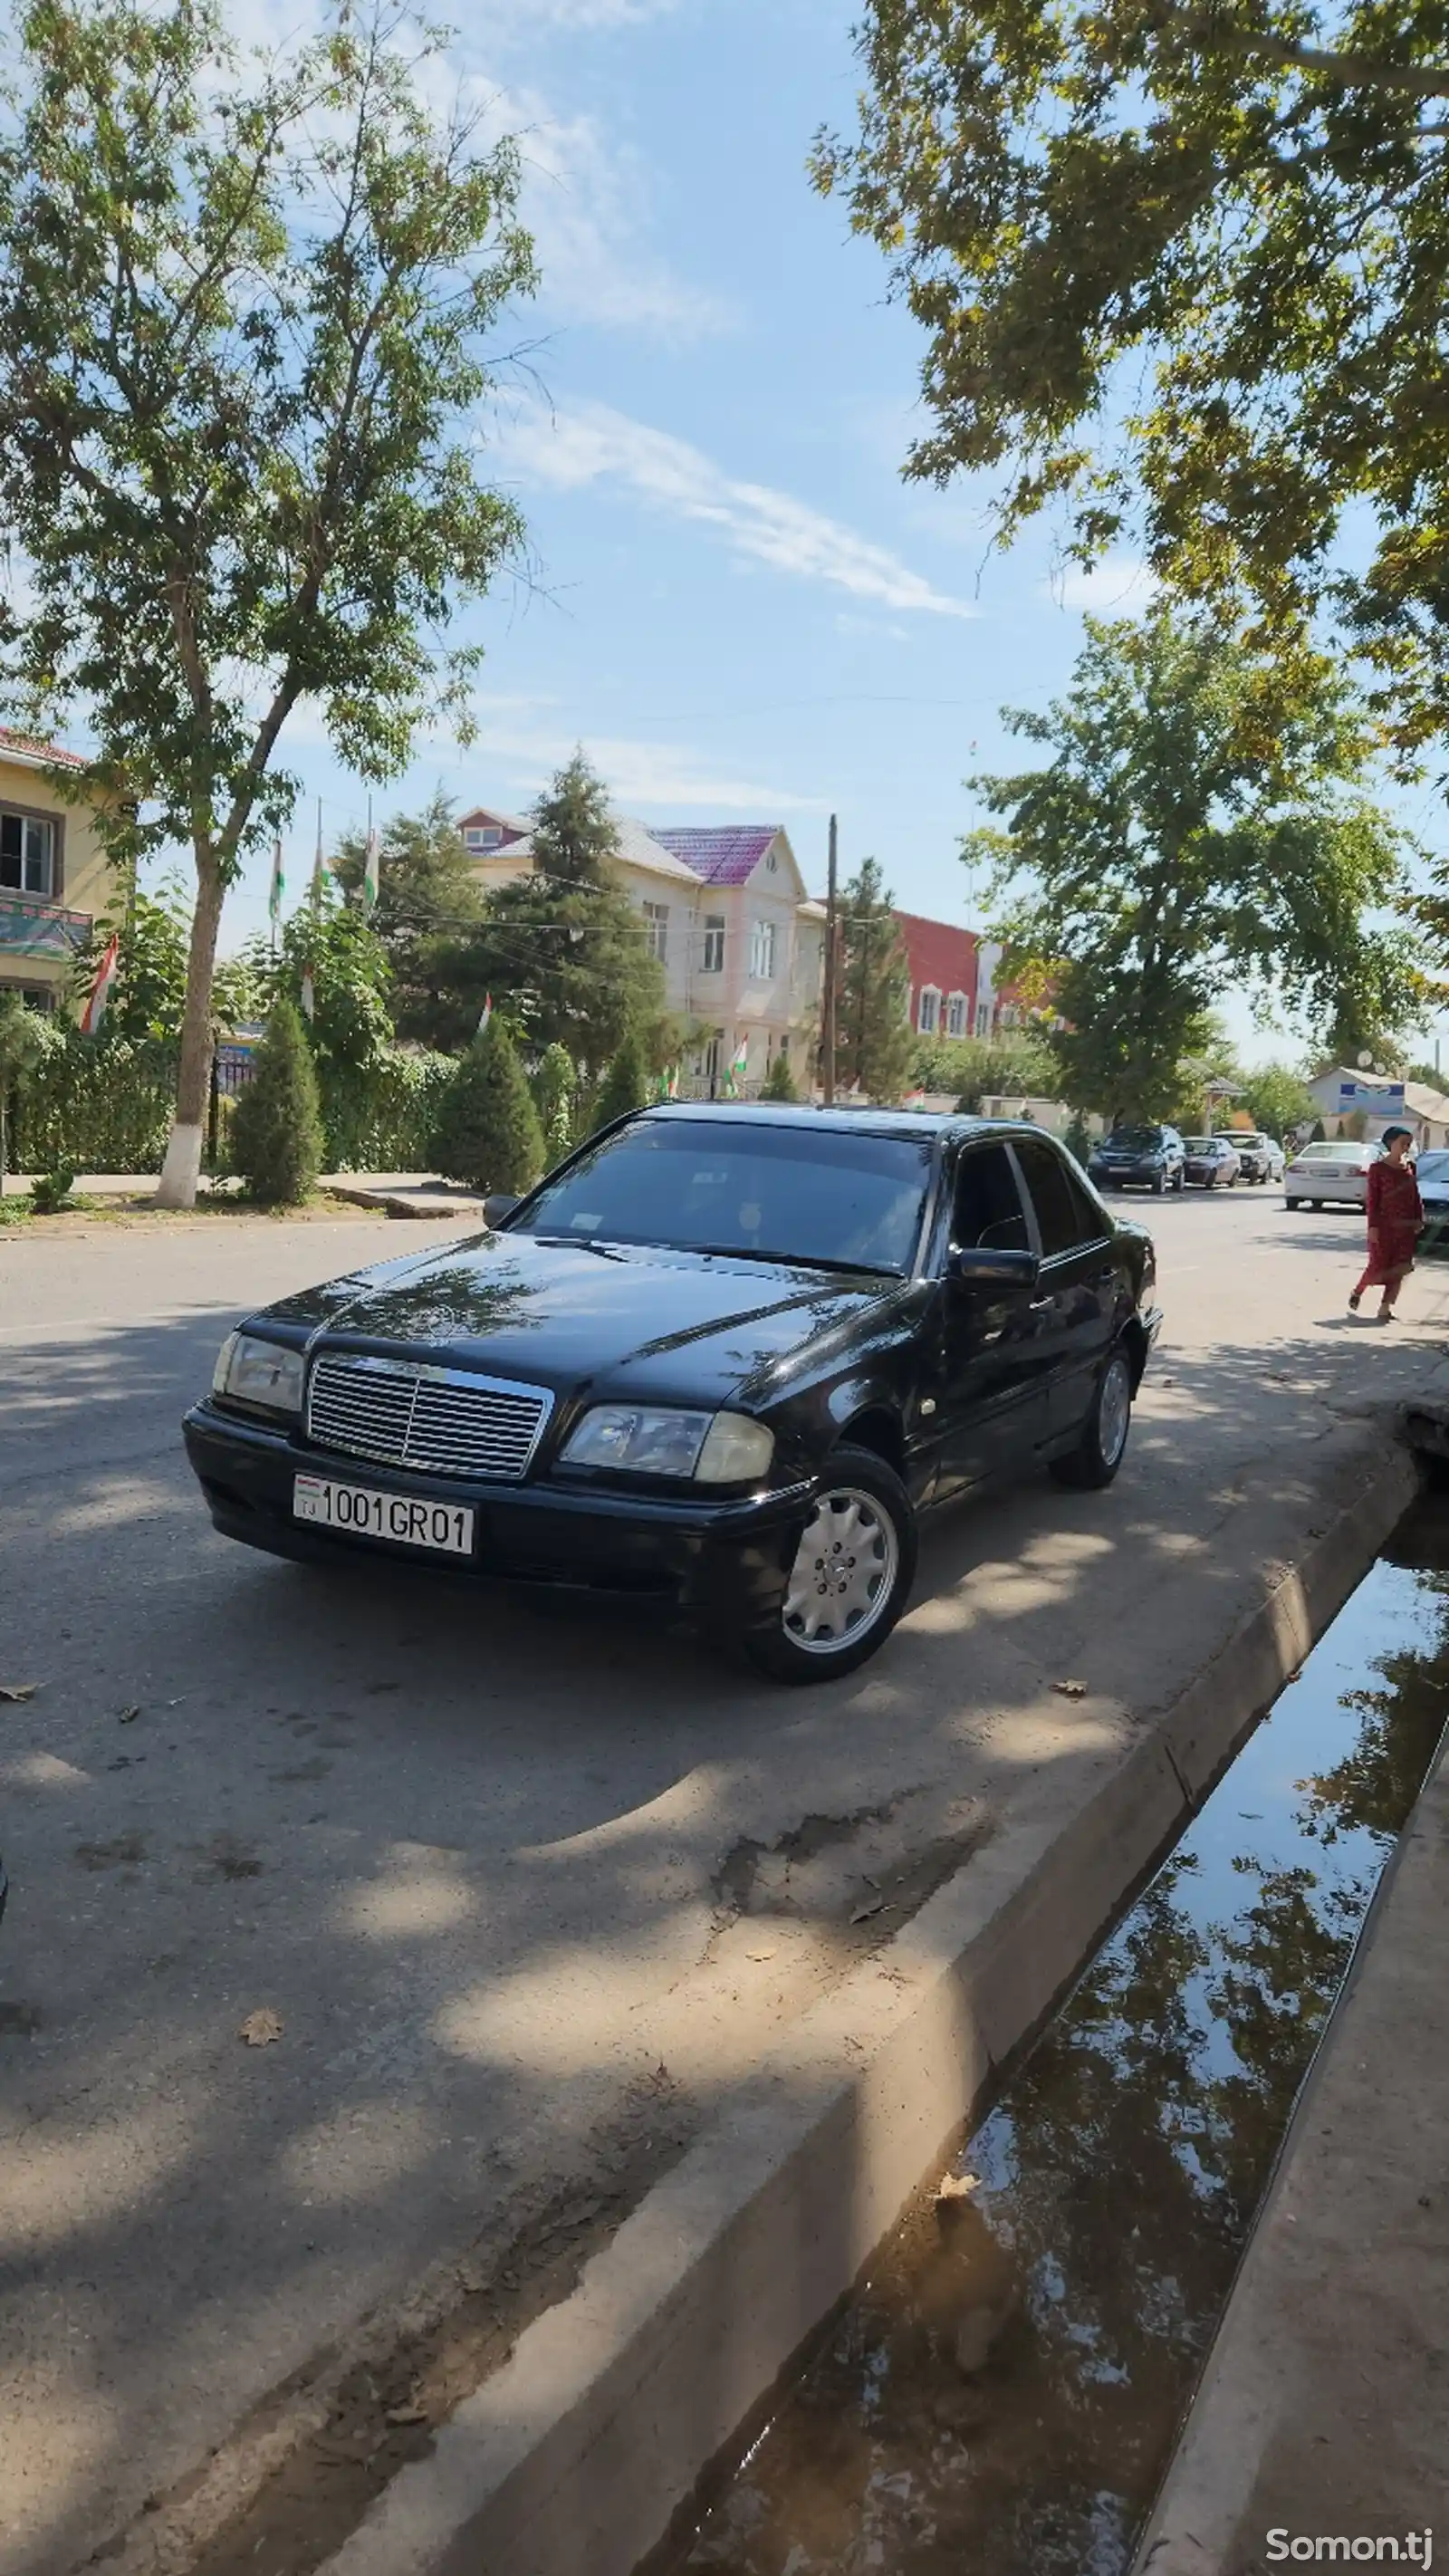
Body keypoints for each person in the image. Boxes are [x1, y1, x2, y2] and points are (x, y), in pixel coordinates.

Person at [1348, 1127, 1423, 1322]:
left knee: (1400, 1266)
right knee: (1377, 1265)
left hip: (1405, 1227)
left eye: (1409, 1143)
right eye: (1403, 1143)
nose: (1406, 1147)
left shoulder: (1410, 1166)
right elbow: (1372, 1200)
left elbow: (1415, 1195)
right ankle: (1358, 1291)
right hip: (1383, 1226)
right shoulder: (1378, 1169)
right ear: (1391, 1143)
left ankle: (1385, 1308)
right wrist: (1372, 1226)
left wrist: (1418, 1217)